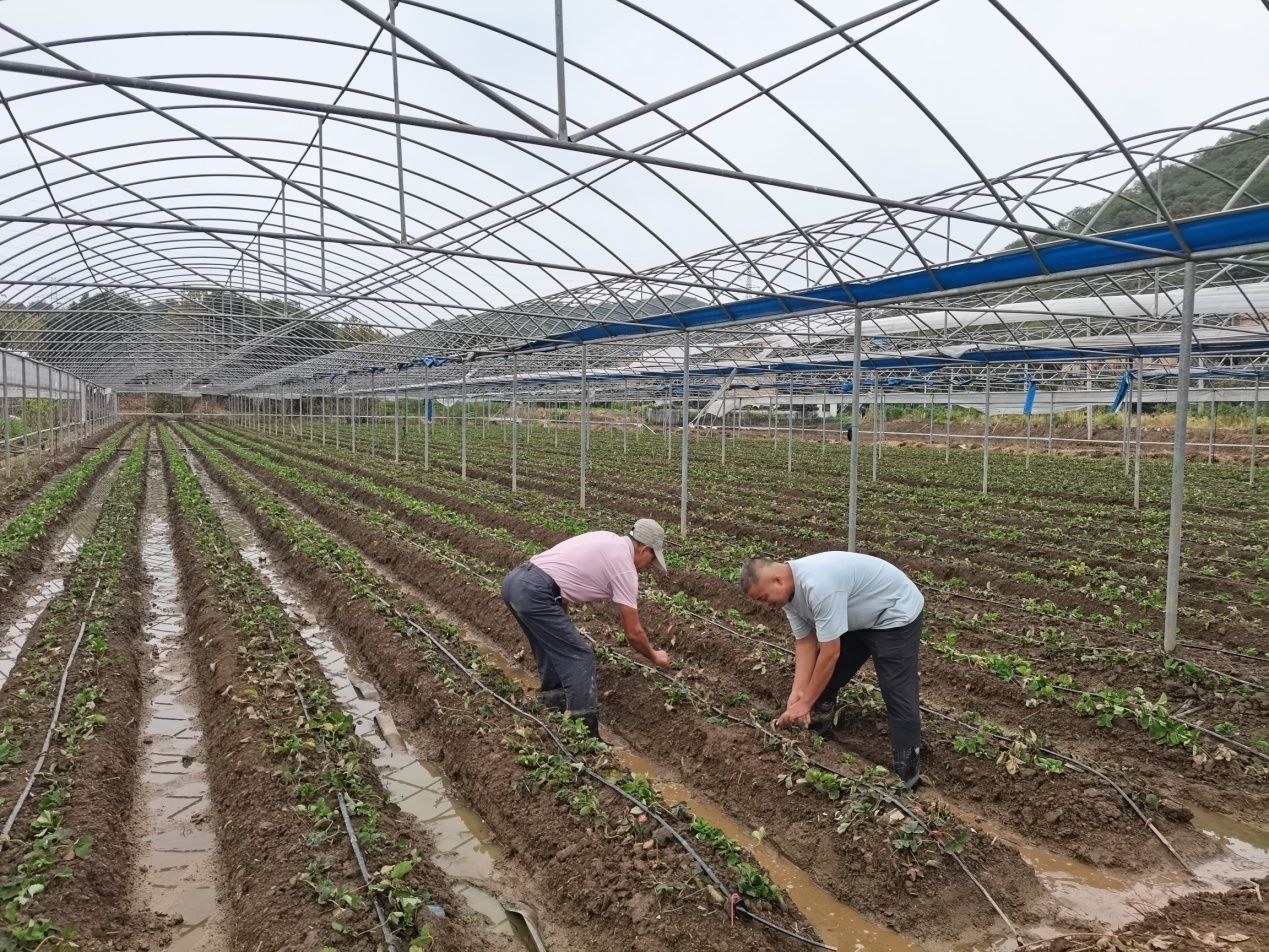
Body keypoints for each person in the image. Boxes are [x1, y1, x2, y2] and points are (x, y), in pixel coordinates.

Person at [739, 552, 925, 789]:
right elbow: (805, 643)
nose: (766, 605)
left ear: (778, 580)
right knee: (826, 677)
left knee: (897, 693)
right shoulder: (789, 596)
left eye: (764, 598)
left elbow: (830, 653)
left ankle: (908, 776)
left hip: (893, 613)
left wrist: (806, 702)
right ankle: (817, 726)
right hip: (857, 616)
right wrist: (798, 694)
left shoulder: (818, 585)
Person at [501, 519, 673, 738]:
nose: (649, 566)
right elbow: (633, 633)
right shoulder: (624, 569)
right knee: (581, 657)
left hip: (516, 582)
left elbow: (560, 577)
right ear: (644, 549)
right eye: (652, 560)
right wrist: (655, 656)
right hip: (534, 592)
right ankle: (582, 736)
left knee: (551, 650)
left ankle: (552, 707)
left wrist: (561, 624)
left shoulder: (607, 538)